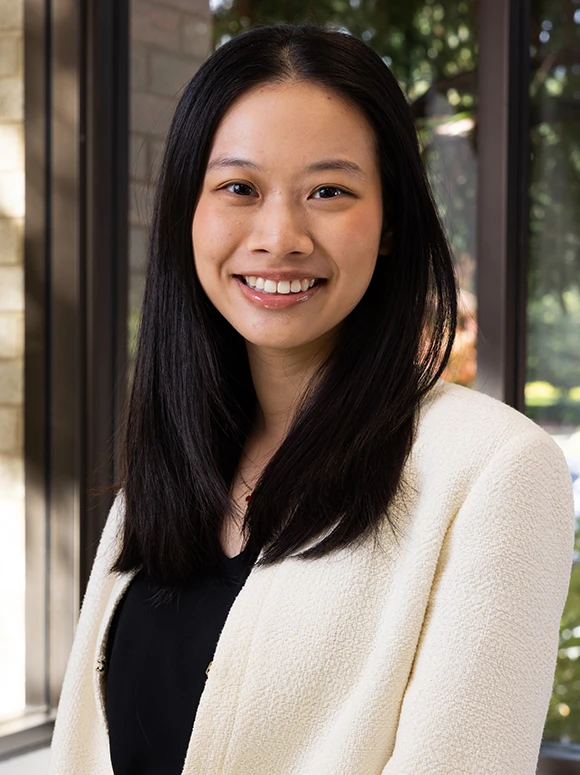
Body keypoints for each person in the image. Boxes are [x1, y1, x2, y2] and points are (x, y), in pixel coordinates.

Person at [49, 23, 575, 775]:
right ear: (186, 213)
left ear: (390, 221)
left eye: (329, 191)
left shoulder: (494, 471)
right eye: (239, 188)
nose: (279, 235)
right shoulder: (175, 460)